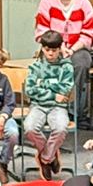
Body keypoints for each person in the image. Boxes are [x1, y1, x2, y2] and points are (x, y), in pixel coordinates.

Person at [23, 30, 78, 177]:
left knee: (60, 129)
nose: (51, 53)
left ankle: (45, 158)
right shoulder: (35, 67)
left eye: (54, 50)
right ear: (42, 48)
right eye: (47, 50)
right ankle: (51, 156)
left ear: (60, 49)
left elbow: (65, 89)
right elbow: (30, 90)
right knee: (29, 128)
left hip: (58, 107)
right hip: (38, 105)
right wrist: (53, 93)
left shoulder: (66, 67)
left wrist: (41, 84)